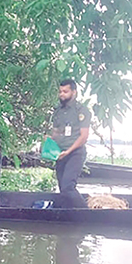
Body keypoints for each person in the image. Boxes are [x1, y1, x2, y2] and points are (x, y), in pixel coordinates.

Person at [50, 79, 91, 208]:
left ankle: (87, 215)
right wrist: (49, 140)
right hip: (61, 153)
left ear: (74, 92)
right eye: (60, 91)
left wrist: (68, 151)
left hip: (75, 153)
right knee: (63, 189)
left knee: (68, 187)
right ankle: (69, 218)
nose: (62, 94)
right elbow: (57, 132)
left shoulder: (81, 111)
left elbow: (83, 136)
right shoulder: (58, 110)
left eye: (65, 91)